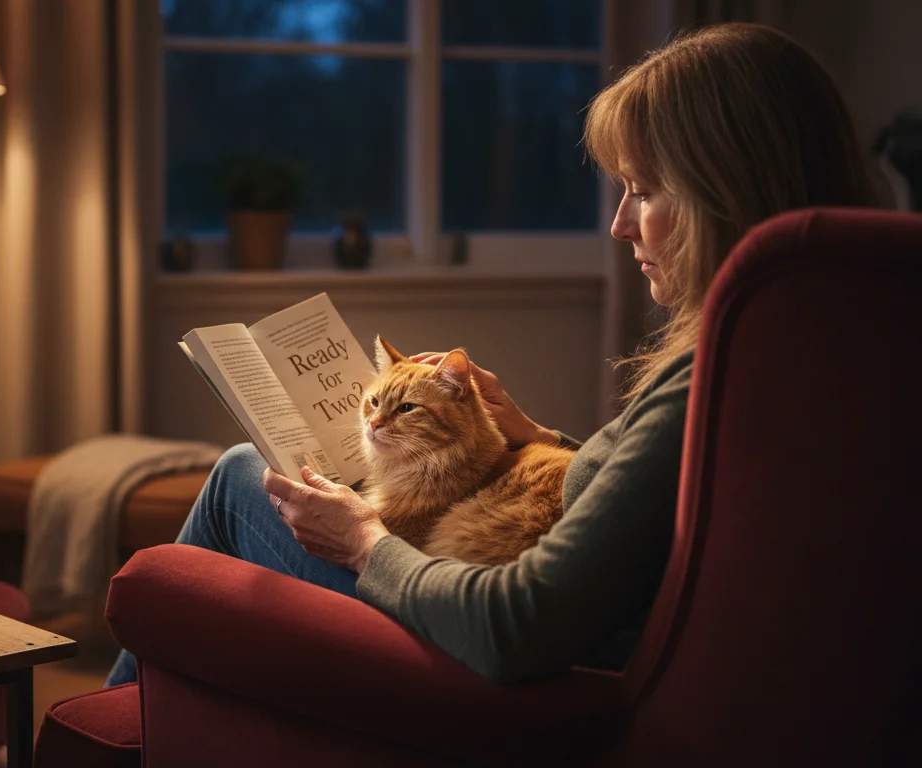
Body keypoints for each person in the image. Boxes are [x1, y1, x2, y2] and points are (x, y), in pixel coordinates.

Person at [106, 22, 885, 687]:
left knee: (242, 476)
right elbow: (663, 501)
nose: (620, 226)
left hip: (523, 691)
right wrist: (537, 439)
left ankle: (103, 737)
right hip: (588, 657)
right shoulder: (831, 357)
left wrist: (364, 542)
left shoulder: (710, 381)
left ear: (726, 191)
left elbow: (516, 625)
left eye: (644, 190)